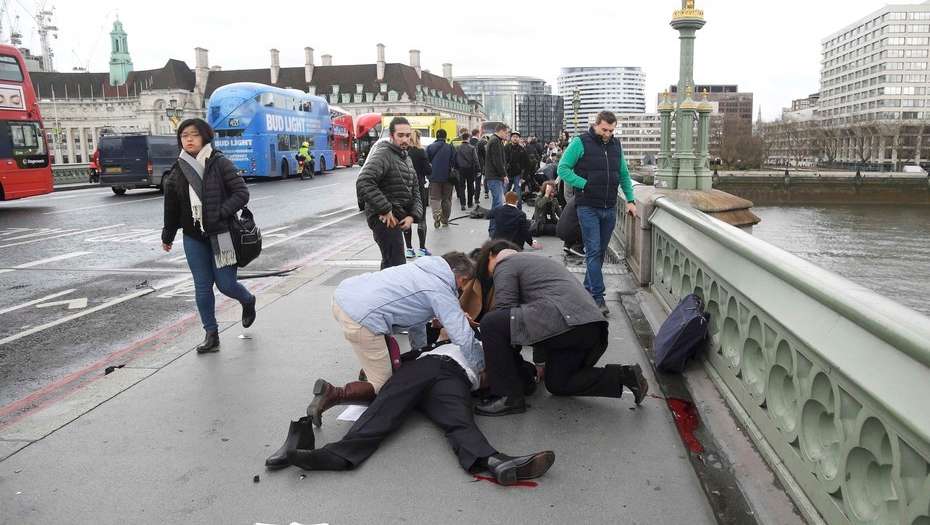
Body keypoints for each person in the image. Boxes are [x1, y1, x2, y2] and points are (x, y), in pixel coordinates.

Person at [267, 340, 555, 486]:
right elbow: (388, 367)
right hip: (429, 366)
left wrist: (536, 374)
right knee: (387, 406)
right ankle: (337, 454)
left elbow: (525, 377)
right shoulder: (444, 342)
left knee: (456, 420)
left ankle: (494, 461)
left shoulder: (494, 347)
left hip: (455, 379)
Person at [307, 252, 482, 427]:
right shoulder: (440, 289)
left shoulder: (424, 268)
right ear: (462, 278)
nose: (462, 289)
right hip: (362, 317)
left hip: (345, 297)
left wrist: (420, 354)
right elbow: (462, 335)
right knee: (385, 388)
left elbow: (416, 320)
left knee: (382, 358)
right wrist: (481, 366)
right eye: (465, 284)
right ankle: (332, 394)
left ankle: (369, 369)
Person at [474, 246, 649, 416]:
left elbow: (506, 314)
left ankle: (508, 397)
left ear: (491, 255)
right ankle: (624, 376)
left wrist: (505, 368)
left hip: (568, 322)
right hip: (589, 328)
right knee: (558, 383)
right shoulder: (536, 265)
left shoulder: (505, 262)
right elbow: (534, 319)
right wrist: (538, 364)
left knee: (491, 323)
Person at [161, 118, 256, 353]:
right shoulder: (178, 168)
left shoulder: (219, 162)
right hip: (193, 237)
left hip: (222, 233)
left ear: (205, 136)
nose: (189, 139)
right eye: (184, 136)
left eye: (194, 134)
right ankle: (211, 334)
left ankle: (248, 300)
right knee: (202, 287)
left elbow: (241, 193)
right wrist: (168, 235)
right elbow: (171, 206)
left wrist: (220, 213)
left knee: (226, 285)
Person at [557, 111, 635, 316]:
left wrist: (631, 200)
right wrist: (585, 184)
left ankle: (586, 290)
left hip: (609, 207)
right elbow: (563, 169)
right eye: (604, 130)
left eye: (611, 130)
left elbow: (624, 175)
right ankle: (598, 298)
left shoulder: (616, 145)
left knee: (599, 252)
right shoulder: (580, 142)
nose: (608, 134)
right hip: (588, 206)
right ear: (596, 125)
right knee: (593, 251)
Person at [356, 117, 422, 270]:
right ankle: (388, 293)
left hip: (398, 217)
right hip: (384, 219)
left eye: (407, 135)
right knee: (395, 265)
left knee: (391, 265)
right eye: (400, 135)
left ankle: (385, 292)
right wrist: (385, 209)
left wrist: (412, 215)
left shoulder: (407, 158)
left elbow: (415, 190)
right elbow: (364, 181)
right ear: (392, 136)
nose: (405, 139)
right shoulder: (383, 154)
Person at [403, 131, 432, 258]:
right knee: (421, 218)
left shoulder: (403, 153)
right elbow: (428, 170)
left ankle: (409, 249)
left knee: (406, 217)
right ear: (418, 138)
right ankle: (422, 248)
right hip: (418, 188)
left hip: (404, 189)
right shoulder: (421, 152)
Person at [426, 129, 457, 228]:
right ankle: (445, 219)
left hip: (434, 178)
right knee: (446, 199)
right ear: (445, 136)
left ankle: (436, 217)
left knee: (435, 198)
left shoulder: (430, 147)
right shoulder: (451, 148)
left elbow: (426, 162)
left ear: (436, 136)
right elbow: (455, 162)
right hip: (448, 178)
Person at [484, 124, 510, 211]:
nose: (507, 135)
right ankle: (495, 224)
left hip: (494, 176)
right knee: (498, 202)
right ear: (501, 131)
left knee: (496, 202)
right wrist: (504, 175)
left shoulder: (495, 140)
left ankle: (493, 224)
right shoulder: (495, 141)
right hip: (494, 177)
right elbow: (497, 161)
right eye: (506, 133)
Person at [454, 131, 480, 210]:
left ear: (462, 139)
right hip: (470, 169)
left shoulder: (457, 147)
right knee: (470, 186)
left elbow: (455, 159)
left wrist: (456, 168)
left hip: (461, 169)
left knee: (461, 187)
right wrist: (478, 169)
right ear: (468, 138)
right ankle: (470, 203)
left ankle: (462, 204)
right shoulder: (472, 148)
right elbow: (476, 160)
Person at [505, 132, 530, 208]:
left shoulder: (522, 150)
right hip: (507, 174)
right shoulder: (506, 148)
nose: (515, 138)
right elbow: (502, 161)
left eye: (517, 137)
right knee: (505, 192)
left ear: (519, 138)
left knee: (518, 192)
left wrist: (524, 177)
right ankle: (505, 208)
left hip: (518, 175)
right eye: (513, 136)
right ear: (511, 138)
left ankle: (519, 210)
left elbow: (527, 164)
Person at [470, 128, 484, 203]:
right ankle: (476, 199)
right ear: (477, 134)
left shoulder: (468, 142)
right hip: (478, 166)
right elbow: (483, 155)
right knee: (478, 183)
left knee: (470, 182)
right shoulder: (480, 143)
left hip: (470, 166)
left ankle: (470, 196)